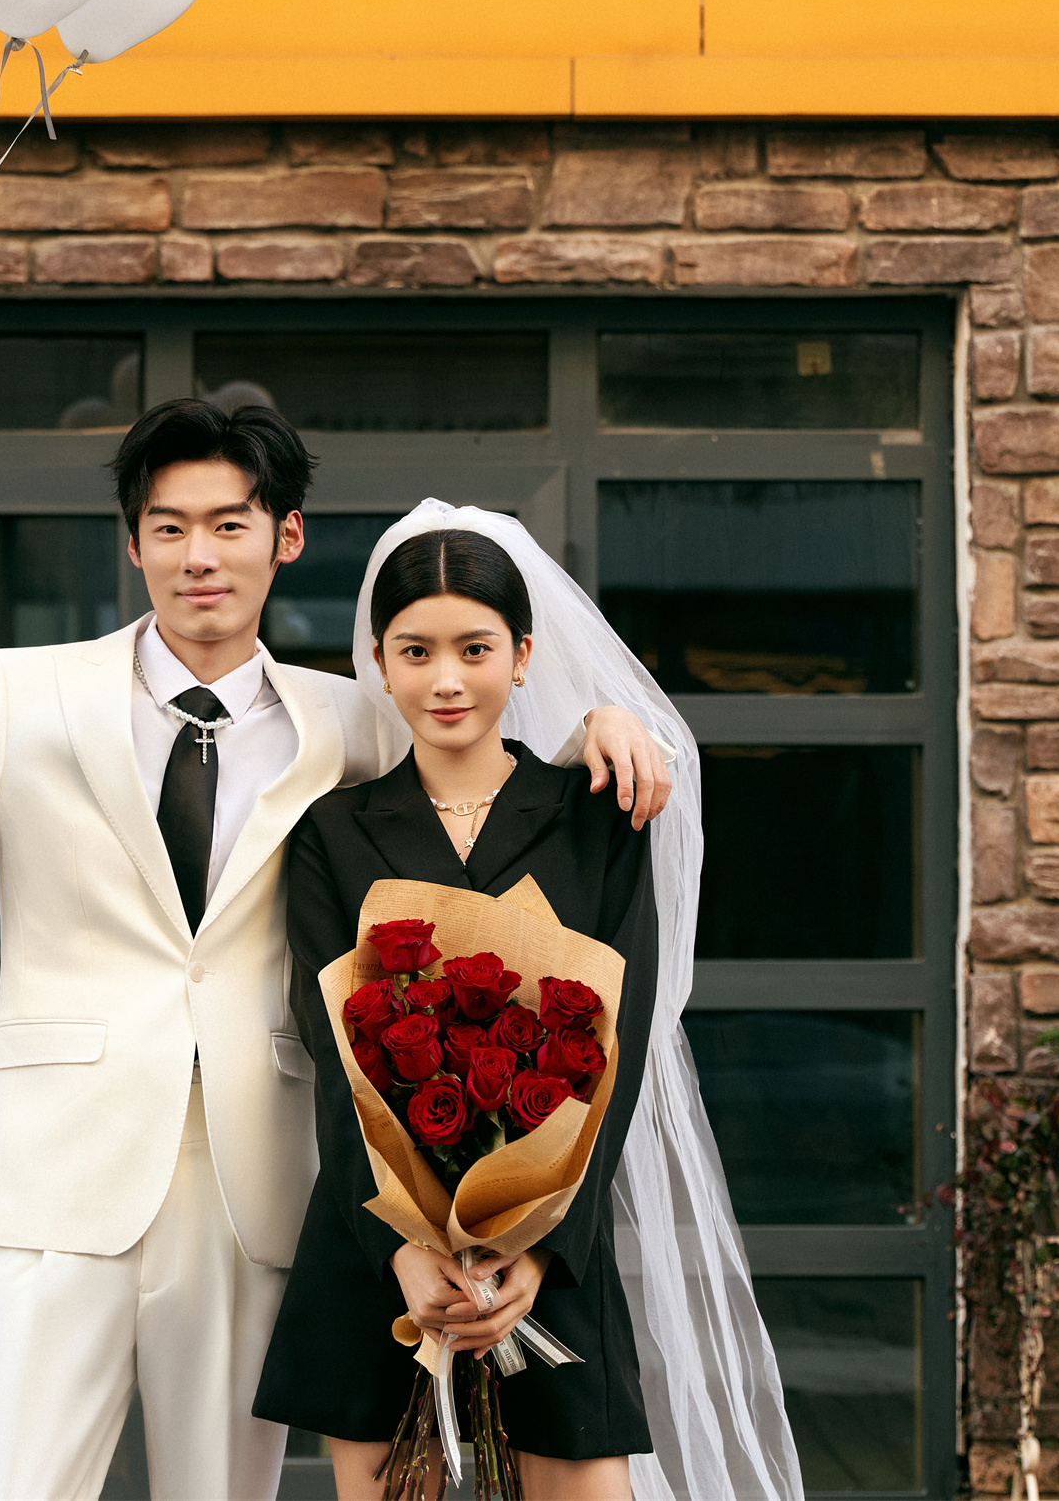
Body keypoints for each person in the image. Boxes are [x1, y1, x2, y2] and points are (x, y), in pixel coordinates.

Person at [0, 402, 674, 1501]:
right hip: (60, 1167)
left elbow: (472, 769)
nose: (200, 555)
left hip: (252, 1170)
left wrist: (594, 727)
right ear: (133, 543)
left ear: (286, 537)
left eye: (229, 524)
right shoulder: (23, 691)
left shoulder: (349, 718)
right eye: (169, 527)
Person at [256, 504, 807, 1501]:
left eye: (474, 649)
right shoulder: (331, 832)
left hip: (551, 1255)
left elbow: (617, 1050)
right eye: (416, 650)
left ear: (521, 658)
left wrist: (541, 1249)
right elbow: (334, 1061)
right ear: (379, 662)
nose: (446, 679)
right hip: (378, 1257)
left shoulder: (595, 820)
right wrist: (402, 1252)